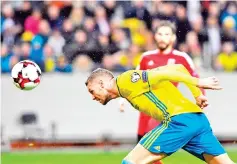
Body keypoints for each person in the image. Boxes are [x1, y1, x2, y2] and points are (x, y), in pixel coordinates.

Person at [85, 65, 234, 164]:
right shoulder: (127, 88)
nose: (92, 97)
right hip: (197, 119)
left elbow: (166, 74)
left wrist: (198, 82)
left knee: (130, 162)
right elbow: (178, 68)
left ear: (101, 84)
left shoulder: (126, 80)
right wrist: (197, 95)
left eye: (92, 91)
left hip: (179, 121)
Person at [119, 21, 205, 147]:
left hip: (166, 110)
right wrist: (123, 99)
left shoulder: (181, 58)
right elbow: (134, 80)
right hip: (146, 110)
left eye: (166, 34)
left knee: (148, 151)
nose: (162, 37)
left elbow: (194, 79)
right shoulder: (146, 57)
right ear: (155, 36)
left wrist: (200, 96)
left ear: (173, 37)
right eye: (160, 34)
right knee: (143, 150)